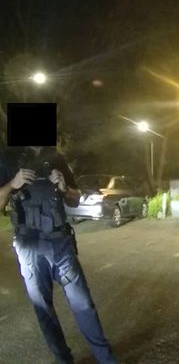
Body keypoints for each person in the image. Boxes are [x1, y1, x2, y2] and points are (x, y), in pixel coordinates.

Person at [0, 146, 116, 364]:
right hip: (30, 245)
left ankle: (107, 359)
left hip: (60, 241)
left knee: (84, 304)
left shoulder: (56, 157)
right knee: (43, 309)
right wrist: (11, 185)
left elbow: (74, 199)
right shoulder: (7, 158)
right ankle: (63, 359)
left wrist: (64, 188)